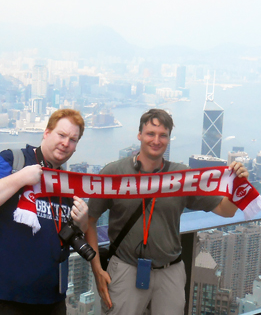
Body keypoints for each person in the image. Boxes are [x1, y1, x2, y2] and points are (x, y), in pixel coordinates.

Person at [85, 109, 249, 315]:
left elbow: (226, 211)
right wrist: (97, 269)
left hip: (170, 272)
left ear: (169, 139)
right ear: (139, 135)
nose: (156, 140)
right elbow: (89, 220)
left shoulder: (182, 177)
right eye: (150, 134)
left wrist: (239, 184)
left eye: (163, 135)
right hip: (125, 268)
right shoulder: (114, 173)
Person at [0, 109, 90, 315]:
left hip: (50, 300)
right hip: (2, 297)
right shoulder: (11, 160)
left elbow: (66, 235)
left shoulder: (66, 183)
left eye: (72, 139)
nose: (66, 143)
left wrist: (82, 223)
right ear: (46, 133)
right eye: (61, 135)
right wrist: (20, 178)